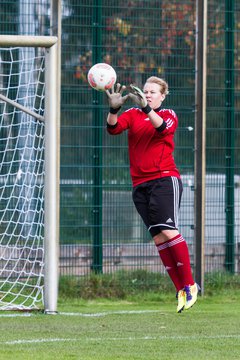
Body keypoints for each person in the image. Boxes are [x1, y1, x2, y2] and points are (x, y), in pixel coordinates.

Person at [105, 76, 199, 313]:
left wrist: (147, 108)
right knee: (158, 238)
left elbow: (161, 127)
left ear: (163, 95)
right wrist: (114, 109)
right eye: (145, 91)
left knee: (169, 231)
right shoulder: (133, 115)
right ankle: (180, 289)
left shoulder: (169, 114)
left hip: (164, 180)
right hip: (140, 185)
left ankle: (190, 284)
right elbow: (113, 129)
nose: (147, 95)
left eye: (152, 92)